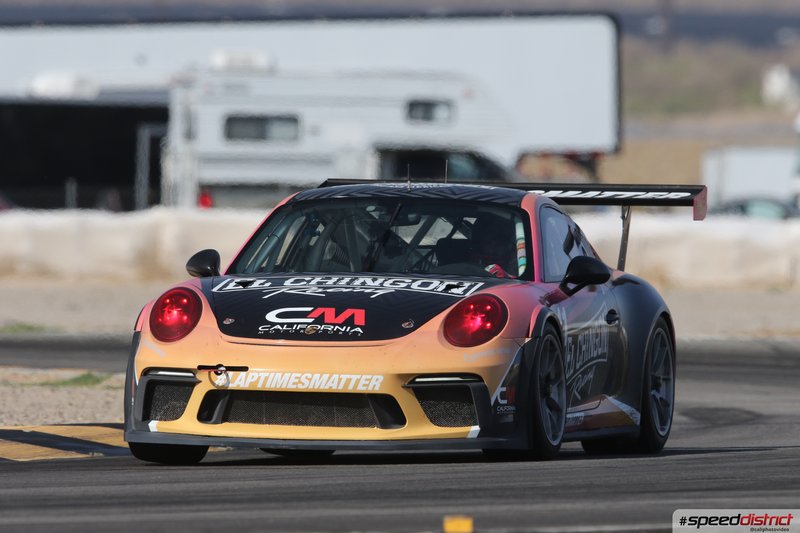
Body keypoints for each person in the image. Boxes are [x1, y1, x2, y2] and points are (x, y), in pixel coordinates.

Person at [469, 213, 517, 278]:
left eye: (498, 240)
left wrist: (506, 275)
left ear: (507, 243)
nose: (493, 247)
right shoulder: (470, 263)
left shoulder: (518, 260)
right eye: (488, 242)